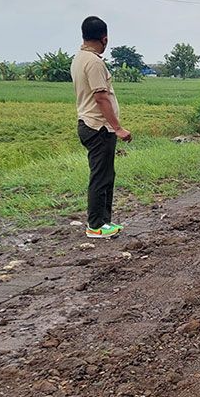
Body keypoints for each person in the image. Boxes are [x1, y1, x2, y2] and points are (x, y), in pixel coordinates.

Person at [71, 16, 132, 238]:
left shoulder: (80, 58)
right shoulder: (94, 62)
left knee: (106, 174)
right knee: (101, 176)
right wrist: (118, 128)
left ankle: (104, 222)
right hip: (98, 127)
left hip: (90, 124)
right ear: (104, 38)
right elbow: (101, 98)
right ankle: (96, 225)